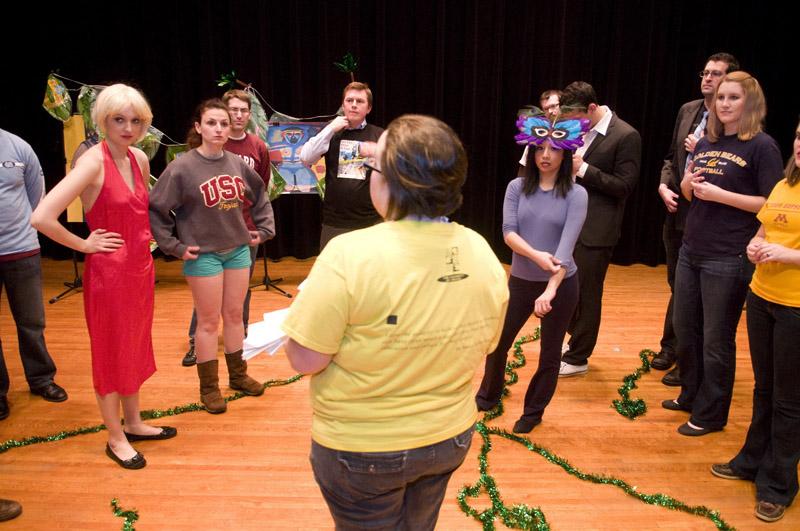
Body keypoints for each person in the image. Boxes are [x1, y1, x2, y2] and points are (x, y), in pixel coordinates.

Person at [282, 114, 509, 530]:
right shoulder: (480, 250)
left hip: (362, 451)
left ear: (390, 181)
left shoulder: (348, 254)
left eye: (373, 166)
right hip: (447, 437)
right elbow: (488, 343)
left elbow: (304, 359)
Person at [31, 84, 176, 469]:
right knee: (111, 354)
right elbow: (42, 217)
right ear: (103, 120)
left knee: (133, 347)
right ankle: (115, 437)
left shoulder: (140, 160)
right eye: (119, 119)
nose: (128, 127)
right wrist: (83, 245)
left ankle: (133, 422)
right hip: (109, 276)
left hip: (139, 272)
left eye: (136, 120)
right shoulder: (92, 163)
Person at [665, 71, 783, 436]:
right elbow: (689, 195)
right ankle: (691, 394)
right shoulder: (705, 142)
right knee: (686, 330)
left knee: (716, 339)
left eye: (733, 97)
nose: (725, 104)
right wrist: (687, 184)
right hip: (692, 249)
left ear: (750, 104)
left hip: (727, 256)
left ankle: (712, 414)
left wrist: (721, 196)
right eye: (720, 98)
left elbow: (769, 203)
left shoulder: (762, 146)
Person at [149, 99, 275, 414]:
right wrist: (173, 246)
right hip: (202, 254)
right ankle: (209, 388)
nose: (219, 128)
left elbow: (260, 195)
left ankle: (238, 376)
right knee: (207, 322)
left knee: (234, 317)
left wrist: (264, 229)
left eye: (223, 123)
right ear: (199, 127)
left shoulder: (236, 163)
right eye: (212, 123)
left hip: (237, 251)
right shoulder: (182, 166)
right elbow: (157, 208)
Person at [710, 121, 800, 523]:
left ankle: (778, 484)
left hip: (796, 307)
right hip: (762, 298)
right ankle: (751, 460)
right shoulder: (784, 186)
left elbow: (783, 247)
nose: (799, 144)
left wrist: (784, 254)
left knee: (789, 400)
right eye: (798, 136)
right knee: (764, 389)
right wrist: (755, 244)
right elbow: (765, 227)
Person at [477, 109, 588, 433]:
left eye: (554, 149)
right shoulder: (516, 187)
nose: (546, 155)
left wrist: (551, 290)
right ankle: (487, 396)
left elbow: (565, 251)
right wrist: (537, 256)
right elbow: (508, 231)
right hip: (522, 282)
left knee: (550, 353)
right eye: (540, 148)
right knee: (498, 342)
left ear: (566, 154)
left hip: (561, 286)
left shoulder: (577, 194)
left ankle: (533, 412)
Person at [654, 53, 739, 387]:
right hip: (677, 209)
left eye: (716, 74)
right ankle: (672, 347)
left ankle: (685, 361)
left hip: (710, 216)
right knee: (678, 285)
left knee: (697, 295)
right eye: (705, 72)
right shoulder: (688, 110)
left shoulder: (736, 130)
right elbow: (670, 158)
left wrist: (703, 146)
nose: (708, 78)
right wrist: (663, 185)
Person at [181, 89, 273, 367]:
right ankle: (197, 344)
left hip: (244, 234)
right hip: (208, 238)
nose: (238, 115)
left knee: (238, 297)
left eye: (244, 111)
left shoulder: (257, 147)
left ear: (249, 115)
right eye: (232, 110)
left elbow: (262, 188)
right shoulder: (210, 149)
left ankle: (239, 343)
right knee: (207, 301)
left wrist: (263, 227)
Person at [557, 81, 642, 376]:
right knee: (565, 288)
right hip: (568, 223)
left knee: (588, 293)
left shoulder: (626, 135)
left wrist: (584, 170)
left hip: (597, 229)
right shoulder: (578, 128)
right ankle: (573, 342)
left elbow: (624, 186)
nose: (571, 125)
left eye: (576, 118)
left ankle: (579, 357)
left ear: (592, 109)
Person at [1, 128, 68, 420]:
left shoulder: (18, 146)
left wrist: (24, 233)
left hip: (21, 249)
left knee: (31, 321)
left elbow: (36, 196)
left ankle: (41, 379)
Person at [299, 81, 383, 250]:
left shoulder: (379, 134)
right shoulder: (332, 133)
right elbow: (305, 157)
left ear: (369, 108)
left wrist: (378, 153)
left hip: (370, 221)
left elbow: (395, 173)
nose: (353, 105)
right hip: (335, 222)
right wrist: (330, 129)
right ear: (343, 105)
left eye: (360, 101)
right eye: (349, 100)